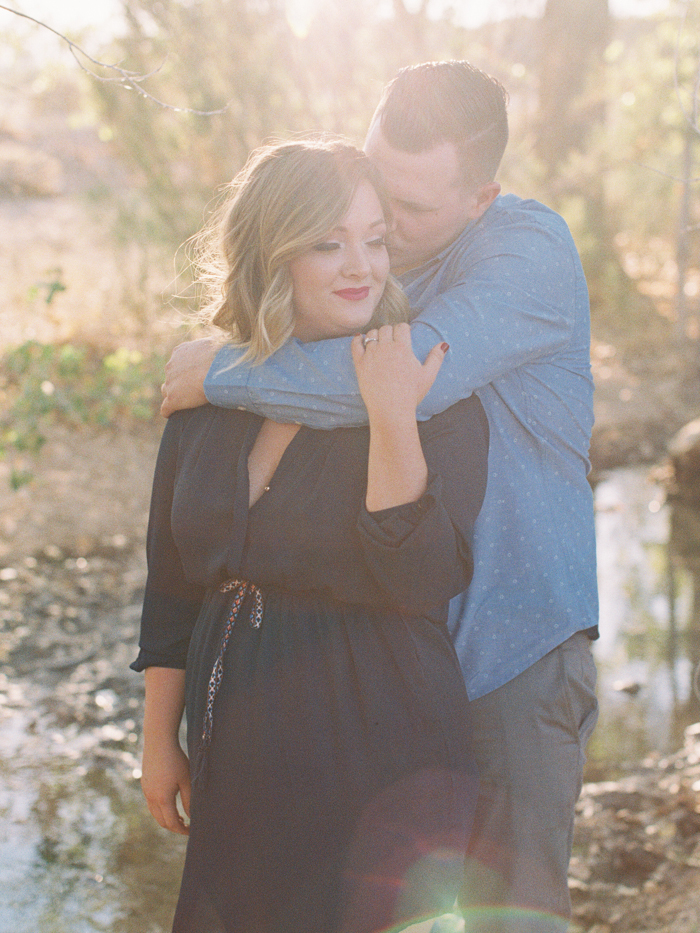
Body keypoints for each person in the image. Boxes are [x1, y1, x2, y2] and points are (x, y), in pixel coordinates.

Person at [159, 61, 600, 933]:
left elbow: (405, 384)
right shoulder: (384, 255)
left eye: (410, 210)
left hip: (510, 656)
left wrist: (218, 370)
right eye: (374, 187)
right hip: (398, 672)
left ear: (482, 196)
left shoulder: (527, 250)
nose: (383, 226)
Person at [132, 138, 490, 933]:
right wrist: (159, 738)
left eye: (375, 239)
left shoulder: (435, 390)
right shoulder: (213, 390)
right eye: (329, 243)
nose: (360, 265)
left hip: (381, 736)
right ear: (273, 253)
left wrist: (394, 414)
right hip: (239, 732)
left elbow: (421, 578)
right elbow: (172, 579)